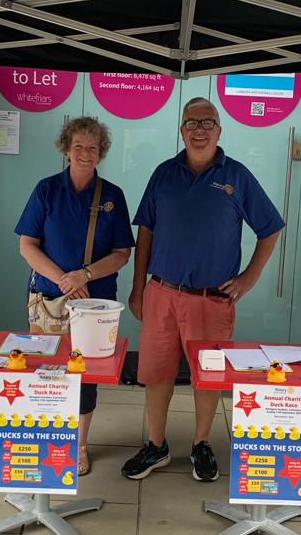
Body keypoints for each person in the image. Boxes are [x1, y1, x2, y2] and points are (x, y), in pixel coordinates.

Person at [121, 97, 284, 482]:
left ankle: (200, 445)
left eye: (206, 122)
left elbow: (271, 227)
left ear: (219, 130)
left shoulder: (237, 177)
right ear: (181, 130)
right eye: (191, 122)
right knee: (157, 373)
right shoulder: (163, 174)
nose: (198, 129)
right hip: (161, 293)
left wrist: (250, 277)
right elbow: (145, 230)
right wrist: (138, 286)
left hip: (211, 300)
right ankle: (155, 446)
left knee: (207, 375)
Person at [15, 116, 134, 476]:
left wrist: (85, 275)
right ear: (66, 149)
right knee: (48, 371)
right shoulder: (46, 190)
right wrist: (64, 280)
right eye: (78, 146)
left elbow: (122, 253)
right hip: (48, 300)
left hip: (95, 305)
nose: (85, 153)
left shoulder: (112, 196)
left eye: (92, 148)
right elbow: (27, 246)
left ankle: (79, 446)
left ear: (102, 153)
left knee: (85, 375)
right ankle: (50, 436)